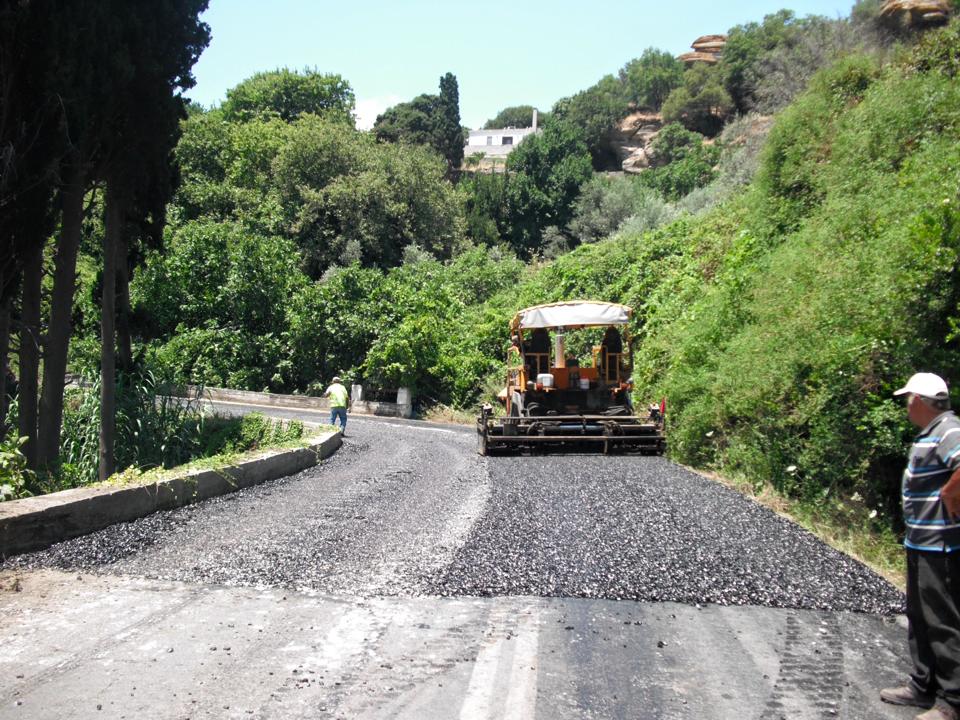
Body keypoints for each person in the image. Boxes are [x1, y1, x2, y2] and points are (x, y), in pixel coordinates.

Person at [882, 372, 960, 720]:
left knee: (942, 620)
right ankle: (921, 685)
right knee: (920, 615)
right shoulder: (933, 431)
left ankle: (951, 702)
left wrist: (949, 492)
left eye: (907, 400)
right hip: (920, 541)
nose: (905, 407)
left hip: (940, 546)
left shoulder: (948, 429)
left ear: (918, 400)